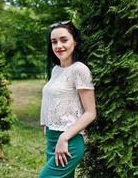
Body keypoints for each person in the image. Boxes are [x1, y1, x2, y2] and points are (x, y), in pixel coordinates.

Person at [39, 20, 97, 178]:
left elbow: (91, 112)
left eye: (64, 40)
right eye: (54, 41)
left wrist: (64, 138)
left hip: (69, 141)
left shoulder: (79, 70)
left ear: (75, 41)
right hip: (52, 139)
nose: (59, 46)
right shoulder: (55, 70)